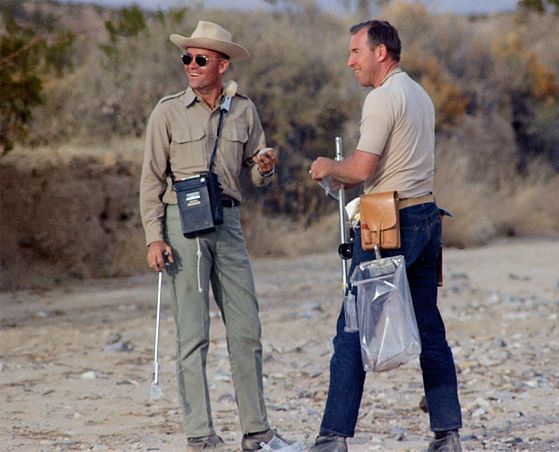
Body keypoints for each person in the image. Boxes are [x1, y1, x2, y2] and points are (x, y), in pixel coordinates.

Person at [308, 20, 463, 452]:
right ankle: (447, 433)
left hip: (387, 225)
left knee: (352, 329)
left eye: (356, 51)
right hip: (427, 217)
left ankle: (332, 437)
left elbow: (359, 170)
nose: (350, 61)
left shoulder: (381, 99)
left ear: (381, 53)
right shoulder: (420, 95)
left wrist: (326, 167)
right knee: (430, 328)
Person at [139, 21, 288, 451]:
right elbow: (150, 180)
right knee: (193, 332)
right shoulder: (166, 111)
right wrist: (154, 237)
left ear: (221, 64)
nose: (190, 65)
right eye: (187, 58)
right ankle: (200, 435)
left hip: (229, 225)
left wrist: (265, 167)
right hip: (181, 227)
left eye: (200, 59)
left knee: (246, 328)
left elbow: (258, 175)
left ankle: (256, 430)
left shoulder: (245, 110)